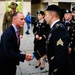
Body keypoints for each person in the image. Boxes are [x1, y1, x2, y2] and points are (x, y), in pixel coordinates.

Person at [28, 5, 74, 75]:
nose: (45, 17)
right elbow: (49, 45)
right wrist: (34, 54)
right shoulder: (54, 27)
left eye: (46, 15)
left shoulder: (59, 30)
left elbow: (61, 57)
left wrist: (54, 72)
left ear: (52, 15)